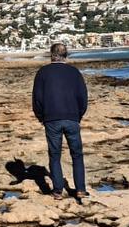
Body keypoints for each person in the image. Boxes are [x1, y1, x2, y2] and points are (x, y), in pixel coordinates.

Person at [32, 42, 88, 199]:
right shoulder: (74, 72)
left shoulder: (43, 72)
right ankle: (81, 189)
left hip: (51, 119)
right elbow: (83, 97)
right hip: (72, 118)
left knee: (55, 155)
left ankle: (57, 191)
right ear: (66, 55)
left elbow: (37, 98)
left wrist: (41, 117)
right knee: (77, 154)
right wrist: (78, 115)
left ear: (51, 55)